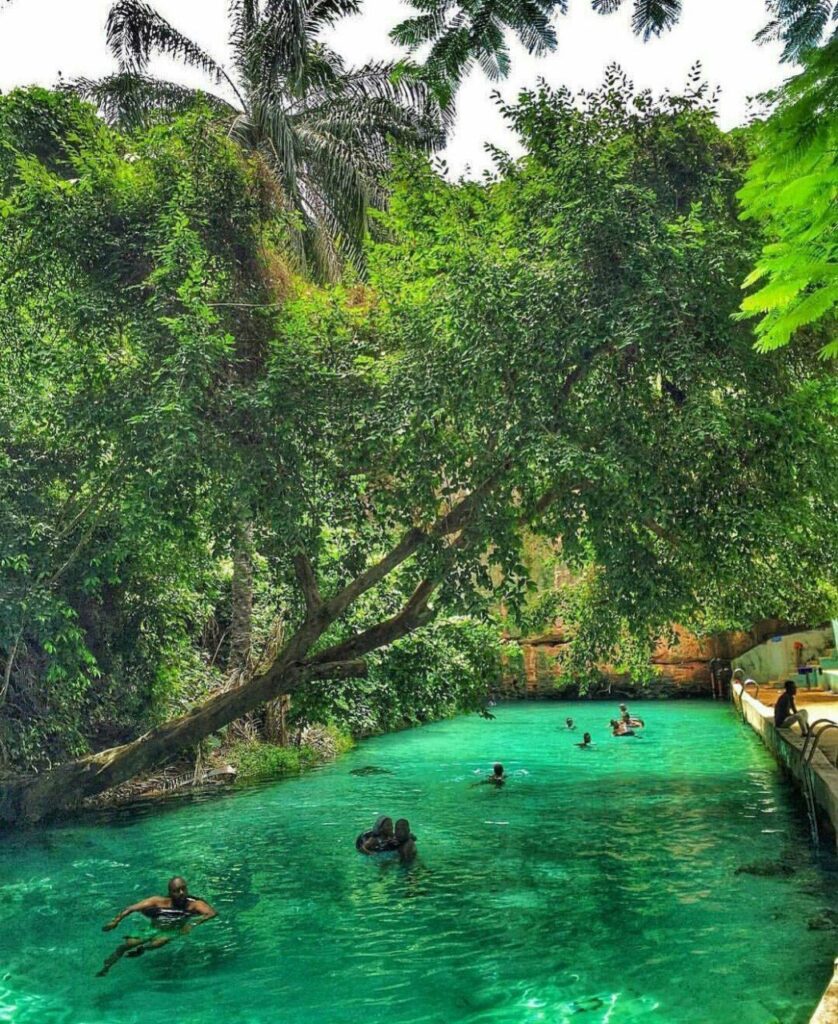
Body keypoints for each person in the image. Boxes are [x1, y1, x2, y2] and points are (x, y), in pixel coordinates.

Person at [98, 877, 216, 976]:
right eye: (176, 890)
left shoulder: (194, 904)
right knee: (127, 945)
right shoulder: (158, 901)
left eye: (183, 889)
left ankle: (142, 949)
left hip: (173, 930)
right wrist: (115, 921)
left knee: (159, 942)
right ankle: (107, 966)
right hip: (153, 928)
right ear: (170, 892)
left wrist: (192, 924)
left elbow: (211, 913)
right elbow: (131, 908)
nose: (181, 893)